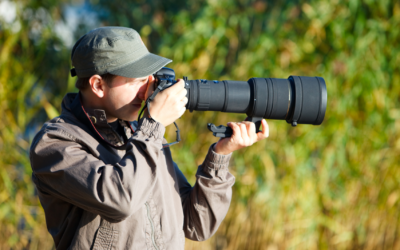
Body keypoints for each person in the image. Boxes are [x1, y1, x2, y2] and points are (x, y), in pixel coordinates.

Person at [29, 26, 269, 250]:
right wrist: (153, 126)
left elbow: (197, 224)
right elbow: (121, 200)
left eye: (149, 77)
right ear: (98, 85)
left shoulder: (139, 133)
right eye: (138, 80)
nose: (148, 90)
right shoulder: (55, 144)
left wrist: (221, 154)